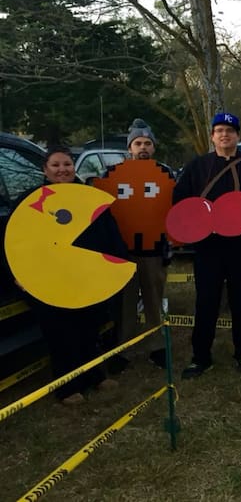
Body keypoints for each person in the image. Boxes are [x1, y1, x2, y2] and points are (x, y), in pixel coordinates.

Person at [24, 147, 124, 405]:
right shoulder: (30, 202)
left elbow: (111, 236)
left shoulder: (90, 198)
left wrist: (114, 267)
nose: (62, 169)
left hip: (86, 274)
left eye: (66, 164)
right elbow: (14, 241)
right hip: (49, 279)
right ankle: (67, 387)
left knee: (89, 327)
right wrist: (18, 273)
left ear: (74, 167)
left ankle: (95, 376)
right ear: (45, 170)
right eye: (55, 165)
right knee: (60, 332)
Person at [172, 112, 241, 379]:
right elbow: (181, 203)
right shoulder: (197, 167)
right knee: (206, 301)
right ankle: (201, 356)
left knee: (240, 300)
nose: (225, 135)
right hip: (207, 248)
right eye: (220, 130)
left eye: (230, 130)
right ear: (213, 136)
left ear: (238, 135)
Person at [108, 118, 173, 369]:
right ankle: (123, 350)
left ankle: (156, 347)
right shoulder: (115, 175)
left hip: (154, 250)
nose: (143, 147)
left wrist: (169, 246)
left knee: (154, 301)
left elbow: (172, 212)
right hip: (124, 251)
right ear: (130, 147)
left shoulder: (165, 174)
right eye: (138, 143)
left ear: (153, 147)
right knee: (125, 304)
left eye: (147, 143)